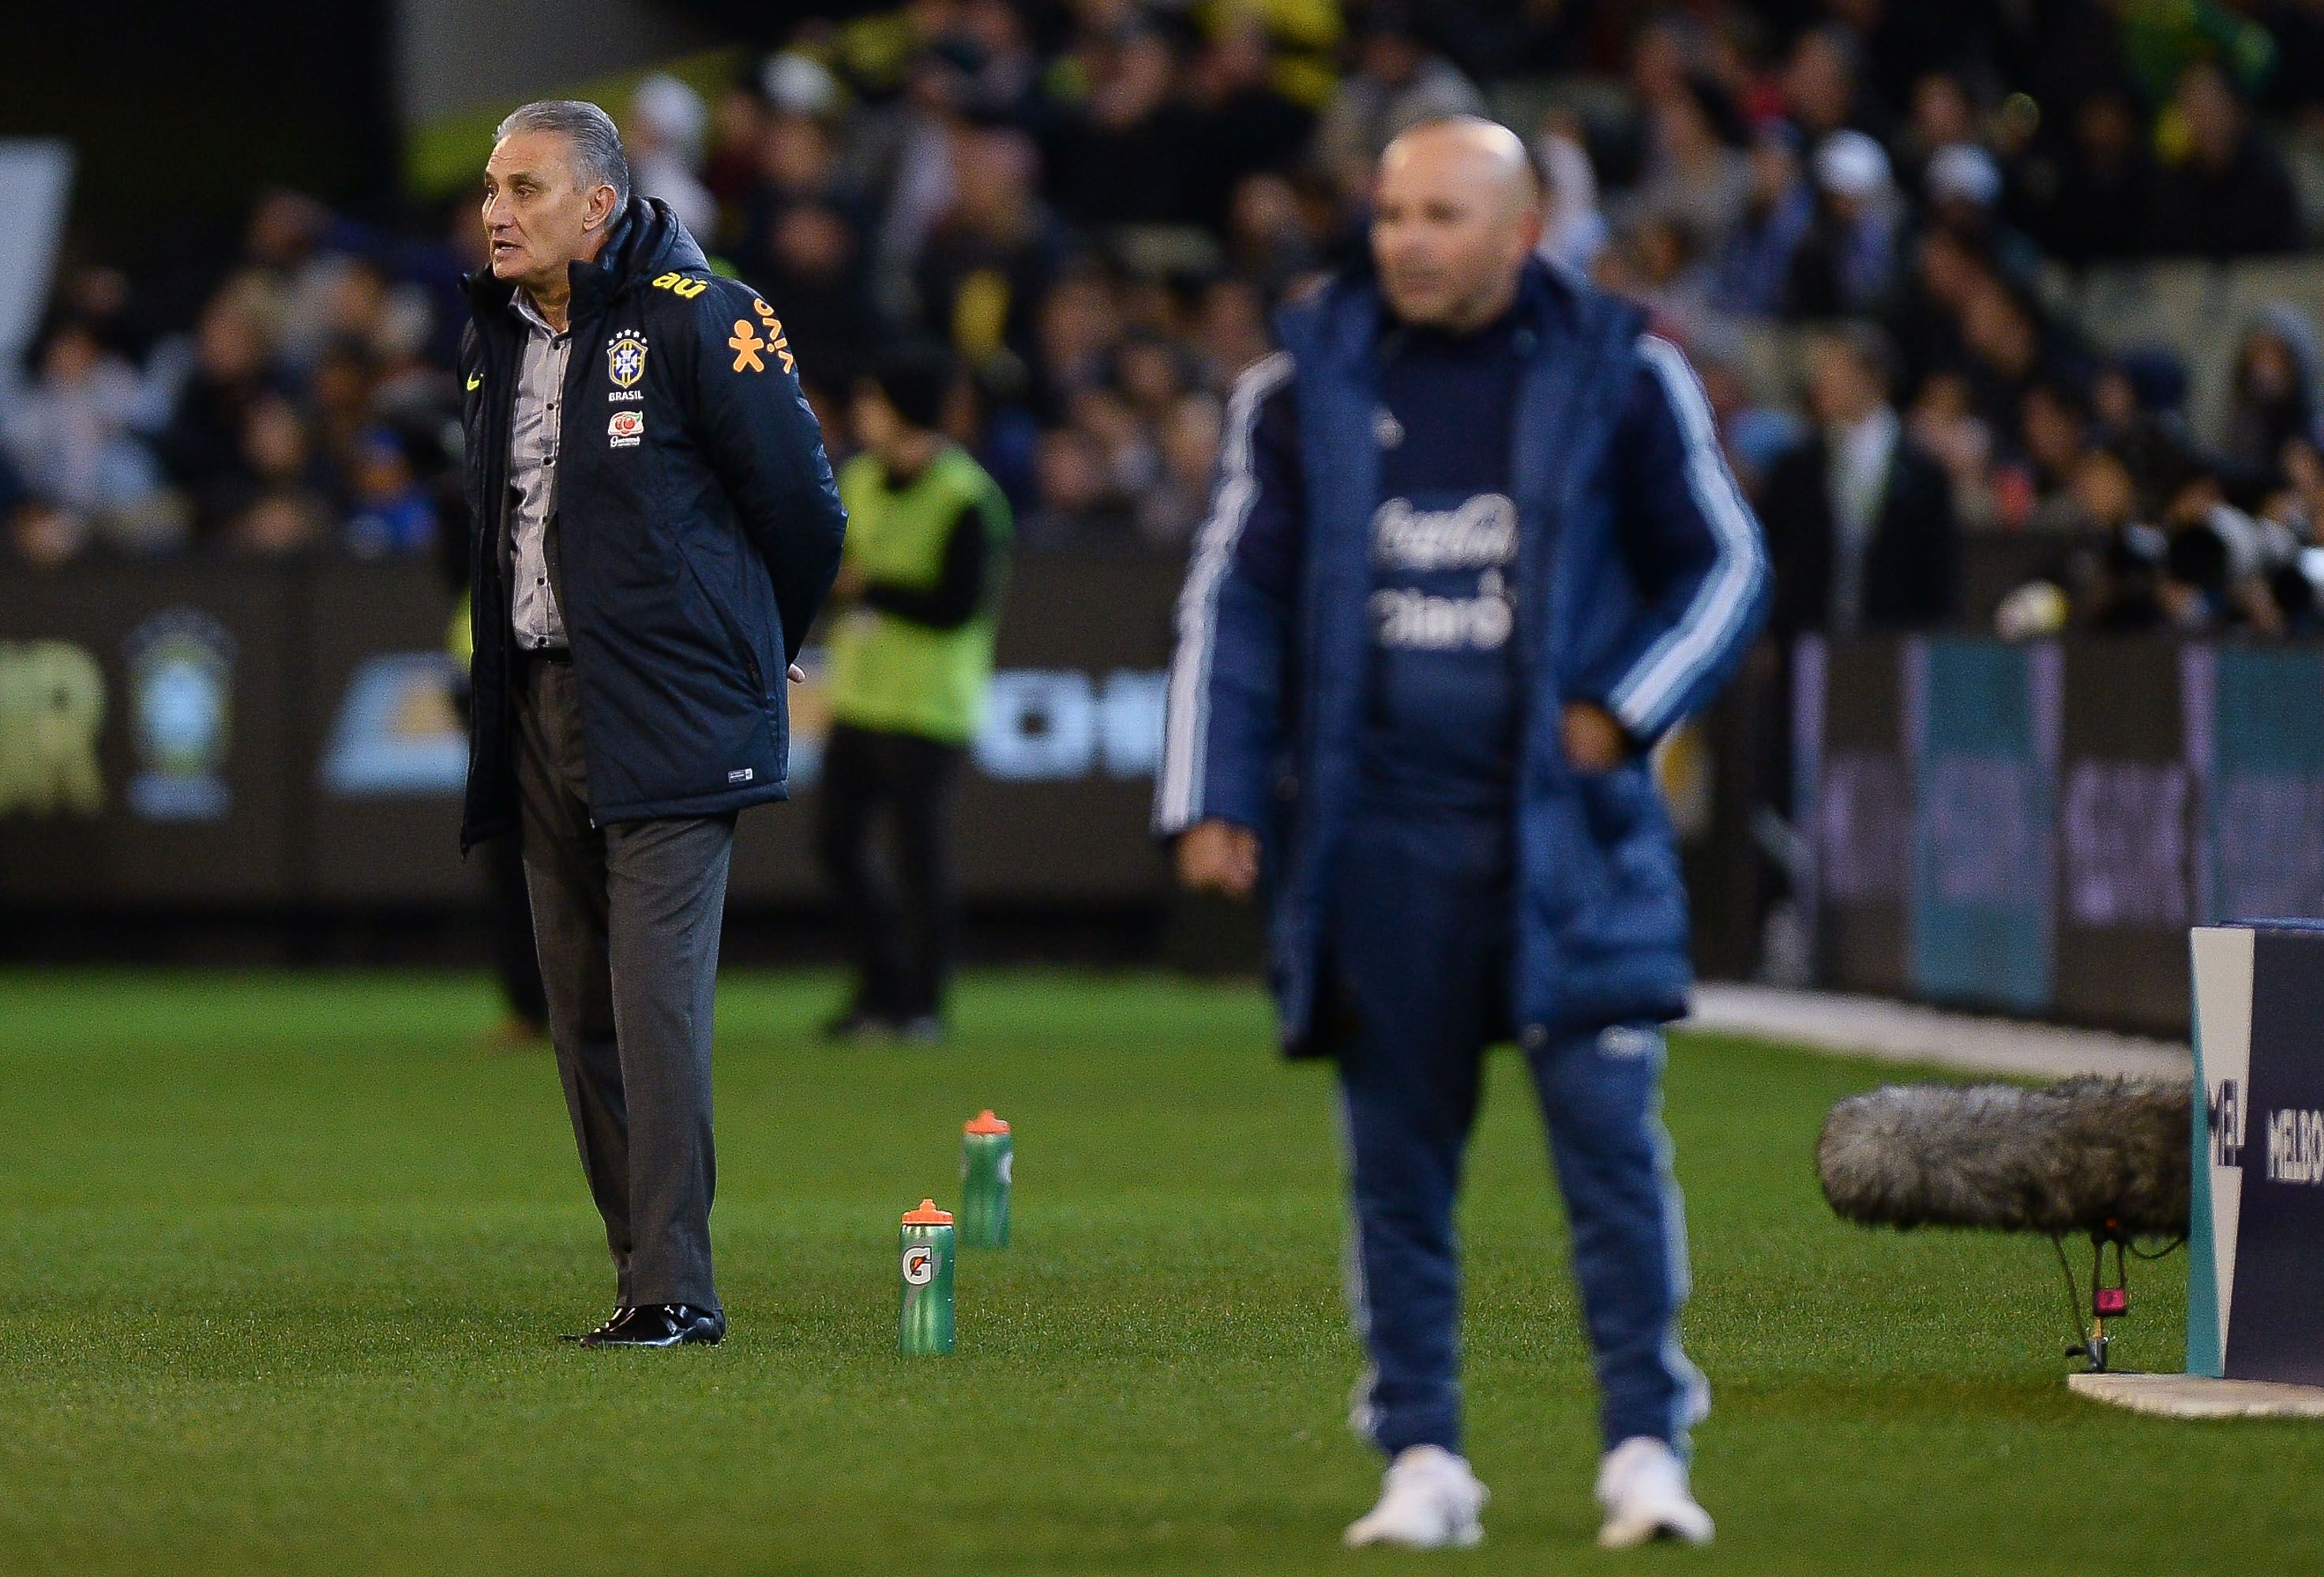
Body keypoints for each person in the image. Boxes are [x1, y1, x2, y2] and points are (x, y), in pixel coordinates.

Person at [1157, 117, 1768, 1552]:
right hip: (1380, 839)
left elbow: (1726, 562)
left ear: (1522, 229)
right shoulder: (1303, 386)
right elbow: (1231, 603)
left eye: (1441, 214)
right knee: (1398, 1168)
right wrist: (1215, 792)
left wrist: (1627, 709)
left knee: (1613, 1151)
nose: (1407, 241)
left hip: (1570, 835)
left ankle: (1645, 1447)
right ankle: (1424, 1453)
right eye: (1390, 213)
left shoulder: (1626, 370)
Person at [455, 101, 846, 1348]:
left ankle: (676, 1286)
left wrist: (748, 645)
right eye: (490, 188)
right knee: (580, 1012)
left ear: (598, 206)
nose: (496, 212)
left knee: (654, 998)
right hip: (535, 699)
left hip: (670, 706)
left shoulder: (707, 316)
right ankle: (644, 1271)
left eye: (524, 189)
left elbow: (804, 509)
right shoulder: (494, 337)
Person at [817, 341, 1012, 1040]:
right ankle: (882, 989)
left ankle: (922, 1003)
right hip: (863, 698)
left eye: (873, 399)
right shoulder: (860, 479)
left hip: (929, 707)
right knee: (836, 846)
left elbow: (957, 605)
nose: (861, 412)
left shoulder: (966, 497)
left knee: (919, 862)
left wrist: (868, 587)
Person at [1759, 325, 1958, 639]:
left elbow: (1937, 577)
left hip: (1894, 644)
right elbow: (1774, 553)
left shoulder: (1923, 474)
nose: (1822, 384)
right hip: (1808, 643)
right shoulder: (1798, 467)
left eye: (1836, 372)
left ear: (1874, 380)